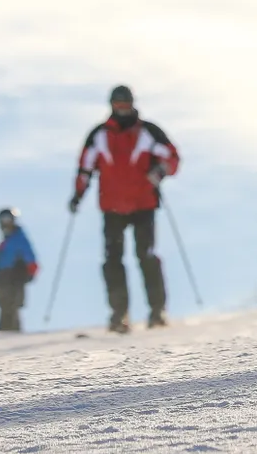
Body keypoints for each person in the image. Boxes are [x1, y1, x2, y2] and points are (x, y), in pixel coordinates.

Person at [70, 85, 180, 333]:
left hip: (144, 204)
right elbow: (85, 168)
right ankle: (119, 314)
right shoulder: (98, 135)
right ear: (111, 106)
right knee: (112, 260)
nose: (121, 110)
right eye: (117, 105)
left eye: (125, 105)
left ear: (132, 104)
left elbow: (172, 157)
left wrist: (161, 171)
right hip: (112, 208)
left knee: (147, 256)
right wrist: (78, 194)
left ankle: (157, 311)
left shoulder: (149, 132)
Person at [0, 209, 38, 332]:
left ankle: (13, 342)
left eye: (8, 219)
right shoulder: (5, 243)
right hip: (4, 287)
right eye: (3, 220)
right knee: (5, 315)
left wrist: (25, 273)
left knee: (11, 314)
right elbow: (2, 275)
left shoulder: (19, 239)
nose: (5, 223)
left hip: (14, 285)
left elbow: (31, 261)